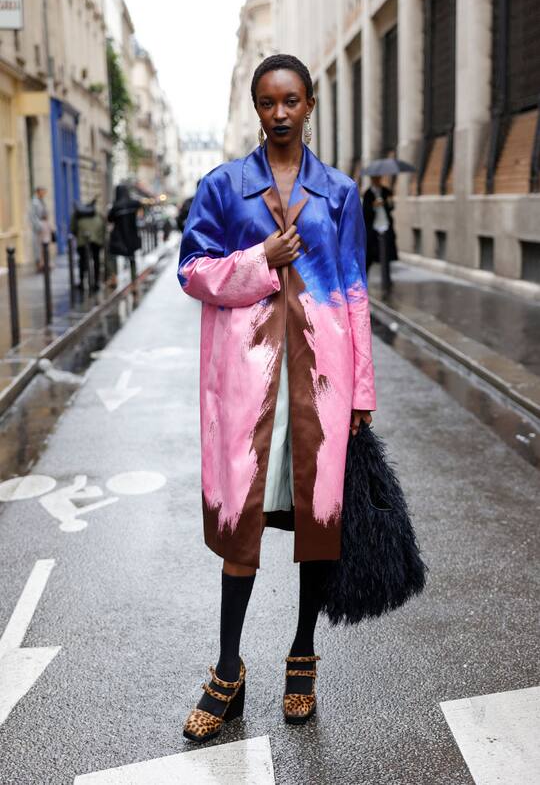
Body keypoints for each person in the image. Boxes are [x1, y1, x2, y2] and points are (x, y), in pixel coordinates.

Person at [177, 54, 376, 742]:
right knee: (241, 528)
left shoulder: (339, 193)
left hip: (321, 381)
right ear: (257, 109)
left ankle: (302, 654)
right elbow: (194, 272)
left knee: (317, 528)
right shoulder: (223, 187)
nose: (280, 112)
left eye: (291, 100)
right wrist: (262, 259)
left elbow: (353, 292)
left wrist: (362, 392)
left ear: (310, 104)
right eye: (268, 102)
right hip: (249, 379)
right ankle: (229, 669)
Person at [362, 175, 398, 296]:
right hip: (373, 228)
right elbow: (365, 212)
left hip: (385, 226)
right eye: (374, 179)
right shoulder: (368, 193)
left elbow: (391, 207)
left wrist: (388, 202)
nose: (377, 181)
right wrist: (373, 206)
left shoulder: (386, 191)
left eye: (378, 179)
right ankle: (364, 280)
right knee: (369, 256)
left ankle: (387, 280)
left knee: (386, 255)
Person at [107, 185, 143, 286]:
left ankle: (114, 277)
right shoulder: (133, 204)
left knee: (112, 255)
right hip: (131, 234)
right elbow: (140, 206)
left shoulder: (115, 206)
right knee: (132, 257)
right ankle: (133, 279)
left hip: (118, 236)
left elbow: (110, 219)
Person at [70, 198, 107, 291]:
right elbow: (103, 227)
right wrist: (101, 240)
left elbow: (72, 228)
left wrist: (78, 235)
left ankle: (82, 282)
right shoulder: (97, 213)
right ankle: (96, 283)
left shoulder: (77, 214)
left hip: (82, 240)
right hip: (96, 240)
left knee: (82, 261)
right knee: (96, 260)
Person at [29, 187, 53, 272]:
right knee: (38, 247)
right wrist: (39, 226)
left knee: (45, 245)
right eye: (42, 192)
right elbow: (32, 216)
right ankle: (39, 265)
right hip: (39, 227)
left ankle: (45, 264)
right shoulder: (34, 202)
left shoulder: (42, 201)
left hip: (44, 226)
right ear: (38, 192)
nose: (44, 194)